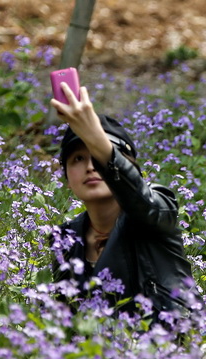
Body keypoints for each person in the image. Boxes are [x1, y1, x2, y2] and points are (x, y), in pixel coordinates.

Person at [49, 82, 198, 326]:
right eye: (77, 158)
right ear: (66, 177)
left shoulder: (156, 212)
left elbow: (142, 200)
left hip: (177, 351)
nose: (90, 166)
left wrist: (98, 140)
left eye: (96, 157)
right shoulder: (65, 237)